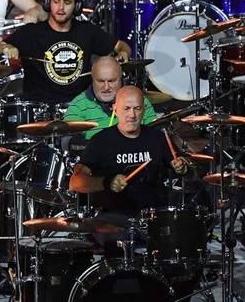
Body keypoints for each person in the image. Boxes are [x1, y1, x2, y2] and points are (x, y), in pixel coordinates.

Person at [0, 0, 129, 105]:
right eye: (56, 2)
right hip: (40, 109)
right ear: (48, 4)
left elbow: (121, 46)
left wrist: (123, 52)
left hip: (78, 109)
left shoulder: (87, 31)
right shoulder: (31, 32)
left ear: (77, 6)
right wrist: (6, 48)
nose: (61, 8)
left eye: (67, 3)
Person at [70, 86, 189, 214]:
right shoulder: (101, 141)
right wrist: (106, 183)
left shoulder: (158, 137)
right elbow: (75, 182)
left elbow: (186, 168)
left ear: (143, 110)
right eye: (126, 109)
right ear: (115, 109)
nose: (132, 115)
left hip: (154, 215)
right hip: (113, 218)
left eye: (137, 109)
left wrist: (183, 167)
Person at [63, 56, 158, 139]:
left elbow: (154, 136)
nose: (106, 87)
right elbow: (69, 142)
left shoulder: (139, 101)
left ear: (121, 79)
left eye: (111, 81)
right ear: (92, 79)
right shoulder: (78, 106)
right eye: (101, 81)